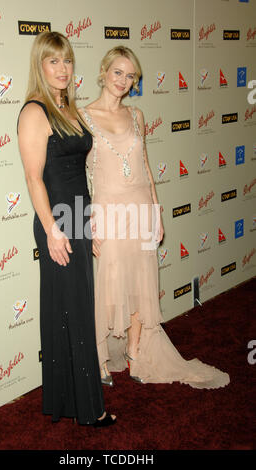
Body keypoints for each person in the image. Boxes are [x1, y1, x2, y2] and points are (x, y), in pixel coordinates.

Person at [81, 46, 230, 389]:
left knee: (141, 285)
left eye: (130, 75)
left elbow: (146, 168)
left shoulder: (137, 115)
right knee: (109, 288)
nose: (123, 80)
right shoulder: (82, 116)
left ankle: (134, 353)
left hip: (141, 208)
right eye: (118, 72)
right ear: (103, 72)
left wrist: (157, 212)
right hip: (107, 210)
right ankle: (100, 357)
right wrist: (86, 222)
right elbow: (76, 174)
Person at [17, 31, 116, 426]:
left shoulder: (70, 110)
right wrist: (53, 230)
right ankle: (90, 409)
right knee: (70, 310)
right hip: (55, 220)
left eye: (67, 60)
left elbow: (79, 175)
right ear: (40, 65)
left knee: (74, 310)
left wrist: (87, 222)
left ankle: (67, 400)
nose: (62, 69)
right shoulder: (34, 112)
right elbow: (33, 178)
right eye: (53, 61)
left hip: (78, 217)